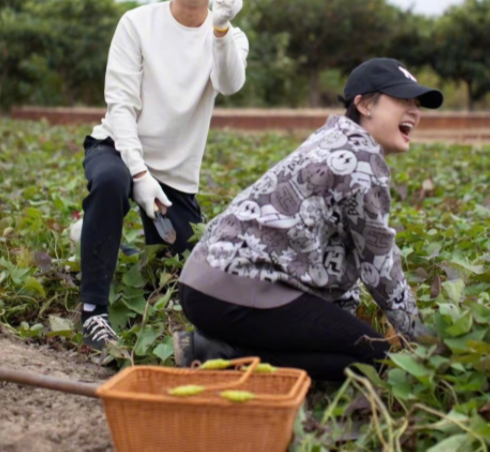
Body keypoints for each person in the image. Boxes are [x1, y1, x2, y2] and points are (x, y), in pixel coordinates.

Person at [174, 58, 443, 381]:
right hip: (236, 290)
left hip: (201, 284)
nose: (415, 111)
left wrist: (338, 319)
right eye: (403, 100)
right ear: (364, 105)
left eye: (417, 104)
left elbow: (337, 253)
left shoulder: (331, 138)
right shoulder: (359, 160)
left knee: (343, 340)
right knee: (375, 359)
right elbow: (380, 266)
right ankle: (215, 353)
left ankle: (221, 345)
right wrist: (422, 342)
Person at [79, 0, 248, 351]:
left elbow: (229, 84)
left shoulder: (229, 36)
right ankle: (93, 313)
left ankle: (90, 237)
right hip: (118, 149)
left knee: (178, 273)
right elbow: (120, 105)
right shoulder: (137, 23)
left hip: (176, 174)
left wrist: (222, 29)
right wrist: (138, 172)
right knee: (112, 183)